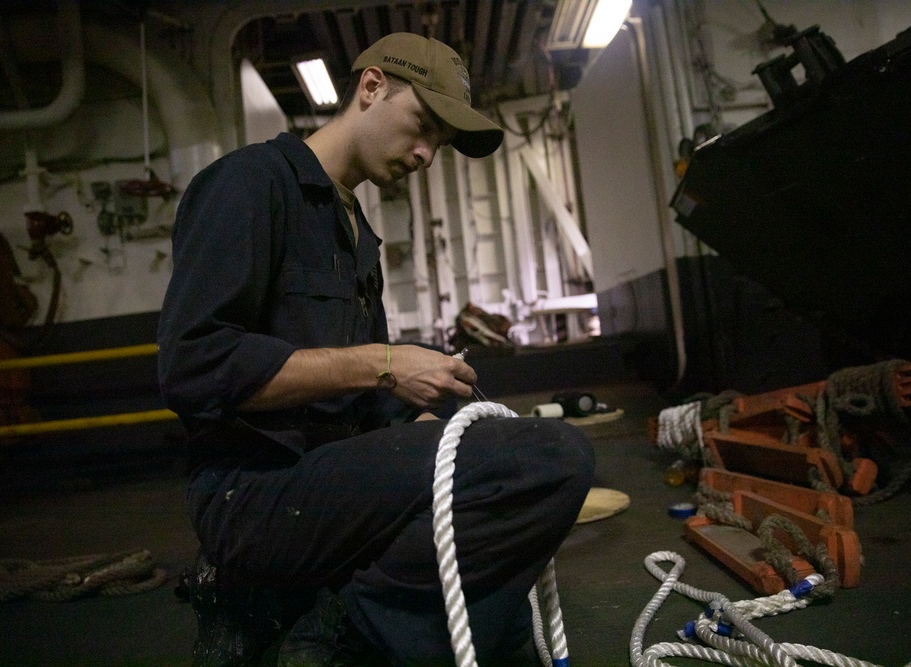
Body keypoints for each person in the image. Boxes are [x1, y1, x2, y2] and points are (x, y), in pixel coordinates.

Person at [157, 32, 595, 667]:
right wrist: (388, 364)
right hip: (253, 497)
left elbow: (356, 399)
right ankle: (347, 633)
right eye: (421, 125)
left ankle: (352, 612)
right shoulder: (249, 184)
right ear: (370, 88)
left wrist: (417, 410)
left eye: (438, 146)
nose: (423, 154)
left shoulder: (357, 234)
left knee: (472, 411)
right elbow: (192, 369)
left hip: (327, 478)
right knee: (551, 459)